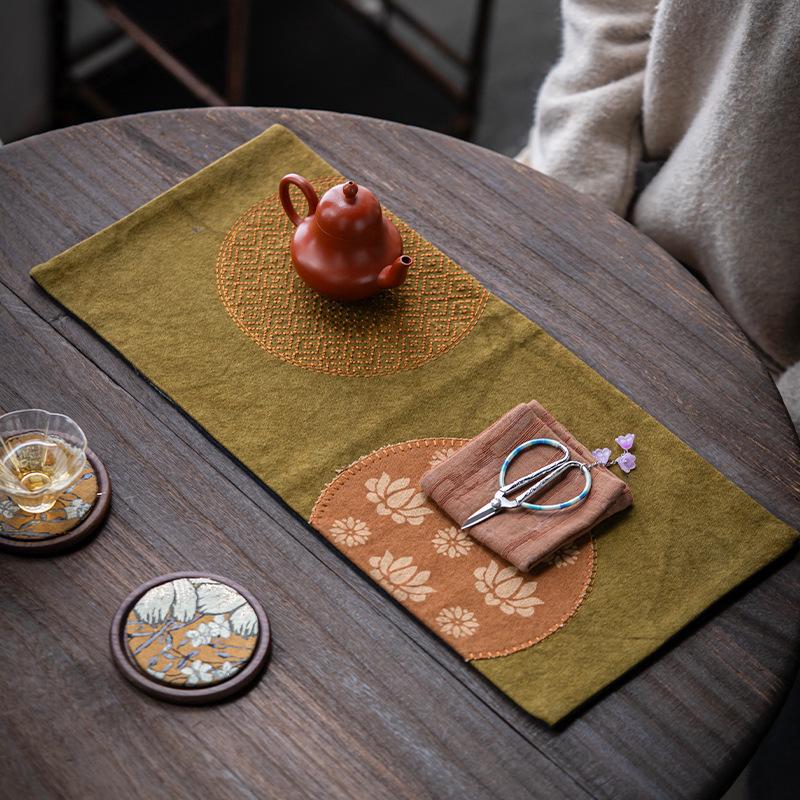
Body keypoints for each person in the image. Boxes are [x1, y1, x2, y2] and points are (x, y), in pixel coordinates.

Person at [517, 0, 800, 430]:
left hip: (773, 365)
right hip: (614, 196)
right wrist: (568, 220)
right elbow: (611, 11)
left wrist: (768, 439)